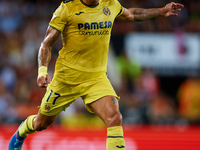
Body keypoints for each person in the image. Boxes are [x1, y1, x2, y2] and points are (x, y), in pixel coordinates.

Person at [9, 0, 184, 149]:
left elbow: (131, 14)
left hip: (96, 78)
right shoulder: (67, 9)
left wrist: (162, 11)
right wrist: (42, 71)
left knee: (115, 117)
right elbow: (46, 44)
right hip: (66, 80)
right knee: (41, 123)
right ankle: (21, 132)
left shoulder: (110, 4)